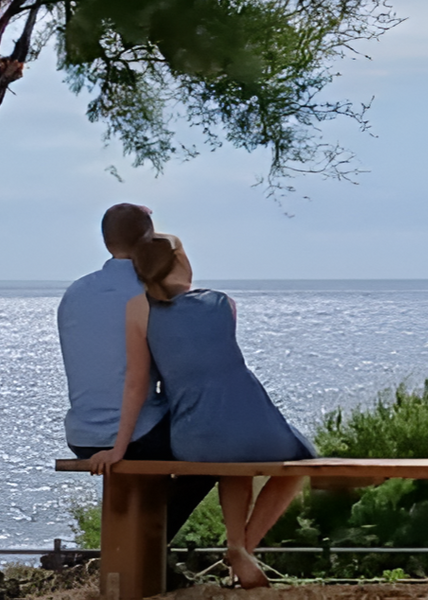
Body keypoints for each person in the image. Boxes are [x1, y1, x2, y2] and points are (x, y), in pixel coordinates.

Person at [85, 232, 315, 590]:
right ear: (180, 260)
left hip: (195, 435)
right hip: (253, 419)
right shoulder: (223, 303)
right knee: (297, 464)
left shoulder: (138, 309)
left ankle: (241, 549)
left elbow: (136, 383)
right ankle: (242, 546)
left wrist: (118, 446)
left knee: (232, 459)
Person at [57, 204, 216, 540]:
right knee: (216, 453)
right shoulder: (152, 295)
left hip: (82, 436)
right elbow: (165, 373)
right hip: (134, 437)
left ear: (105, 241)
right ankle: (148, 543)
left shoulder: (75, 293)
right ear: (147, 238)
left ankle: (145, 554)